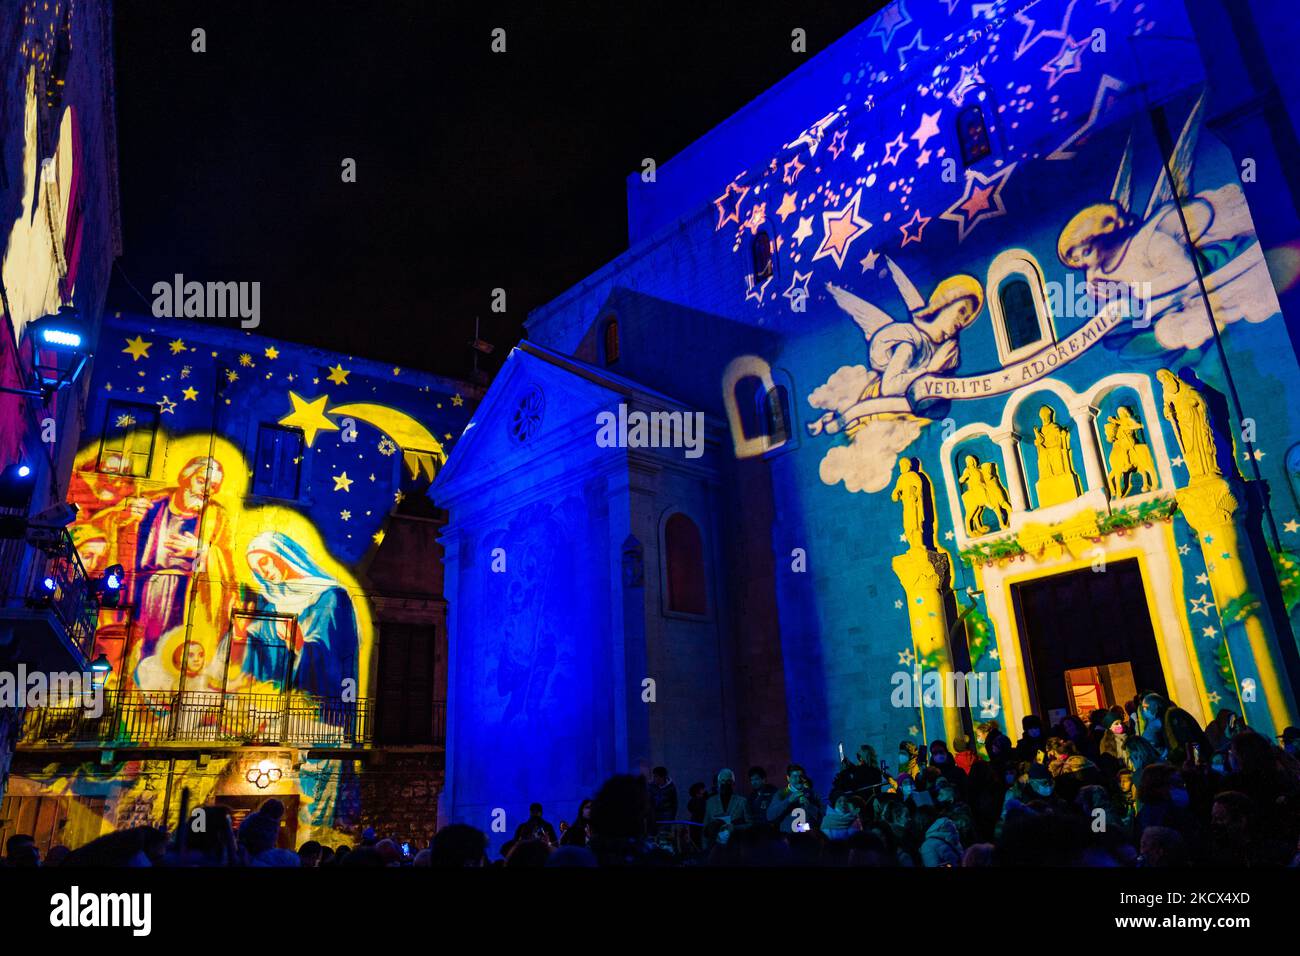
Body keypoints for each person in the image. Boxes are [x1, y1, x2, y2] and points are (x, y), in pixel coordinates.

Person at [701, 768, 753, 848]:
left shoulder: (742, 801)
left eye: (728, 781)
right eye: (722, 781)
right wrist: (705, 847)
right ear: (718, 783)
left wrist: (735, 828)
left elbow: (750, 824)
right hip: (716, 846)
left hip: (737, 845)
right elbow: (705, 826)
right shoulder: (710, 802)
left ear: (733, 783)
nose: (725, 783)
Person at [767, 764, 824, 834]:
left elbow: (822, 815)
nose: (798, 779)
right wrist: (788, 801)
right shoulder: (782, 794)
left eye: (801, 776)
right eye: (795, 776)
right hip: (789, 838)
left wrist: (809, 806)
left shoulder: (812, 793)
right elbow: (770, 816)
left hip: (808, 836)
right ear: (788, 778)